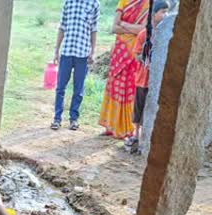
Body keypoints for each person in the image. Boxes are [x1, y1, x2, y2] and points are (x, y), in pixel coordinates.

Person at [98, 0, 150, 139]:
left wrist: (124, 24)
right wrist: (132, 29)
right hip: (119, 51)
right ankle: (111, 126)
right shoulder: (123, 1)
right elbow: (114, 28)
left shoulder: (147, 4)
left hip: (133, 52)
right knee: (115, 85)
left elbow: (143, 30)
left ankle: (127, 128)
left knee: (129, 88)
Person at [125, 1, 170, 154]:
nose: (165, 15)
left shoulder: (166, 34)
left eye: (166, 12)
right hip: (143, 79)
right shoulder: (144, 33)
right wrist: (147, 61)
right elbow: (137, 54)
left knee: (152, 109)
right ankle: (136, 134)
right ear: (153, 14)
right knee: (139, 107)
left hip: (157, 82)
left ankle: (147, 138)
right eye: (162, 12)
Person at [51, 0, 100, 131]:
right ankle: (57, 119)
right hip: (67, 51)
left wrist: (93, 52)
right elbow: (62, 27)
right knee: (60, 87)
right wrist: (56, 51)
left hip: (82, 54)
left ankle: (73, 119)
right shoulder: (68, 2)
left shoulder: (94, 3)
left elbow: (94, 30)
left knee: (78, 90)